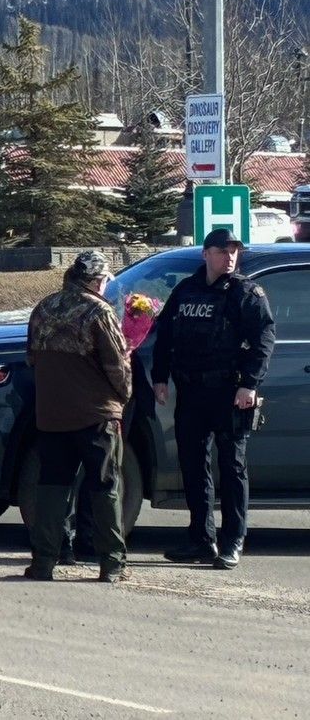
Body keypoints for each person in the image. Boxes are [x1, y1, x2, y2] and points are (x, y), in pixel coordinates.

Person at [153, 228, 275, 570]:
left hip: (229, 393)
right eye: (223, 250)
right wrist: (159, 376)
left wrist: (249, 384)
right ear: (206, 253)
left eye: (235, 250)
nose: (231, 256)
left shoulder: (246, 292)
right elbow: (165, 334)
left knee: (233, 468)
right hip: (191, 392)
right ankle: (201, 540)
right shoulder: (186, 290)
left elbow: (264, 339)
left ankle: (233, 540)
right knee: (193, 466)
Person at [24, 250, 132, 583]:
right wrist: (125, 393)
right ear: (97, 280)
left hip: (52, 414)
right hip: (95, 415)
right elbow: (116, 365)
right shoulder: (99, 311)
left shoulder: (44, 307)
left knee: (52, 487)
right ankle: (112, 563)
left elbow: (31, 357)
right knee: (105, 487)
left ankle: (43, 562)